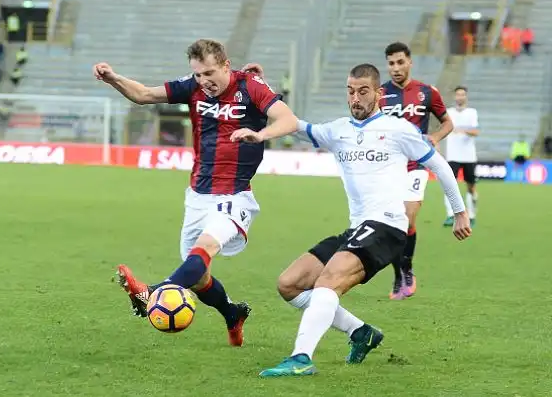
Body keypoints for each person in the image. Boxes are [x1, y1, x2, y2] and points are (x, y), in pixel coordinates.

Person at [230, 63, 471, 377]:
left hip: (387, 227)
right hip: (358, 228)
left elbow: (440, 167)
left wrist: (459, 211)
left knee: (328, 280)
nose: (355, 98)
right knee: (289, 284)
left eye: (363, 91)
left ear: (378, 94)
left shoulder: (399, 130)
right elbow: (293, 124)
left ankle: (301, 358)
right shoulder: (338, 130)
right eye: (350, 91)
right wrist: (257, 86)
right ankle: (361, 332)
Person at [92, 38, 297, 347]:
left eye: (210, 73)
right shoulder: (193, 87)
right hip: (197, 196)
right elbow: (144, 94)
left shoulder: (249, 86)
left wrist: (260, 133)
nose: (204, 81)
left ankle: (150, 294)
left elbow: (288, 119)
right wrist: (115, 79)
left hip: (234, 196)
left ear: (226, 66)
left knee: (203, 252)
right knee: (198, 278)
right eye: (198, 75)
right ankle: (233, 314)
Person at [379, 42, 454, 300]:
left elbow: (447, 122)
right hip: (387, 167)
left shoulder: (426, 92)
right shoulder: (378, 95)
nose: (396, 68)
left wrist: (435, 137)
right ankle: (398, 274)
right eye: (391, 63)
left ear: (410, 62)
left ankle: (407, 268)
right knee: (391, 223)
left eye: (400, 62)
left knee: (408, 218)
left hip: (415, 166)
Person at [443, 86, 479, 227]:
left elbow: (476, 131)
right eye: (458, 94)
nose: (460, 97)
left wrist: (462, 130)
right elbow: (443, 128)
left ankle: (471, 215)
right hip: (453, 155)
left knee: (471, 187)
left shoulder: (472, 112)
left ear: (466, 97)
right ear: (454, 97)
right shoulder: (448, 113)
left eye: (462, 95)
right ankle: (451, 215)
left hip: (469, 156)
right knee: (450, 185)